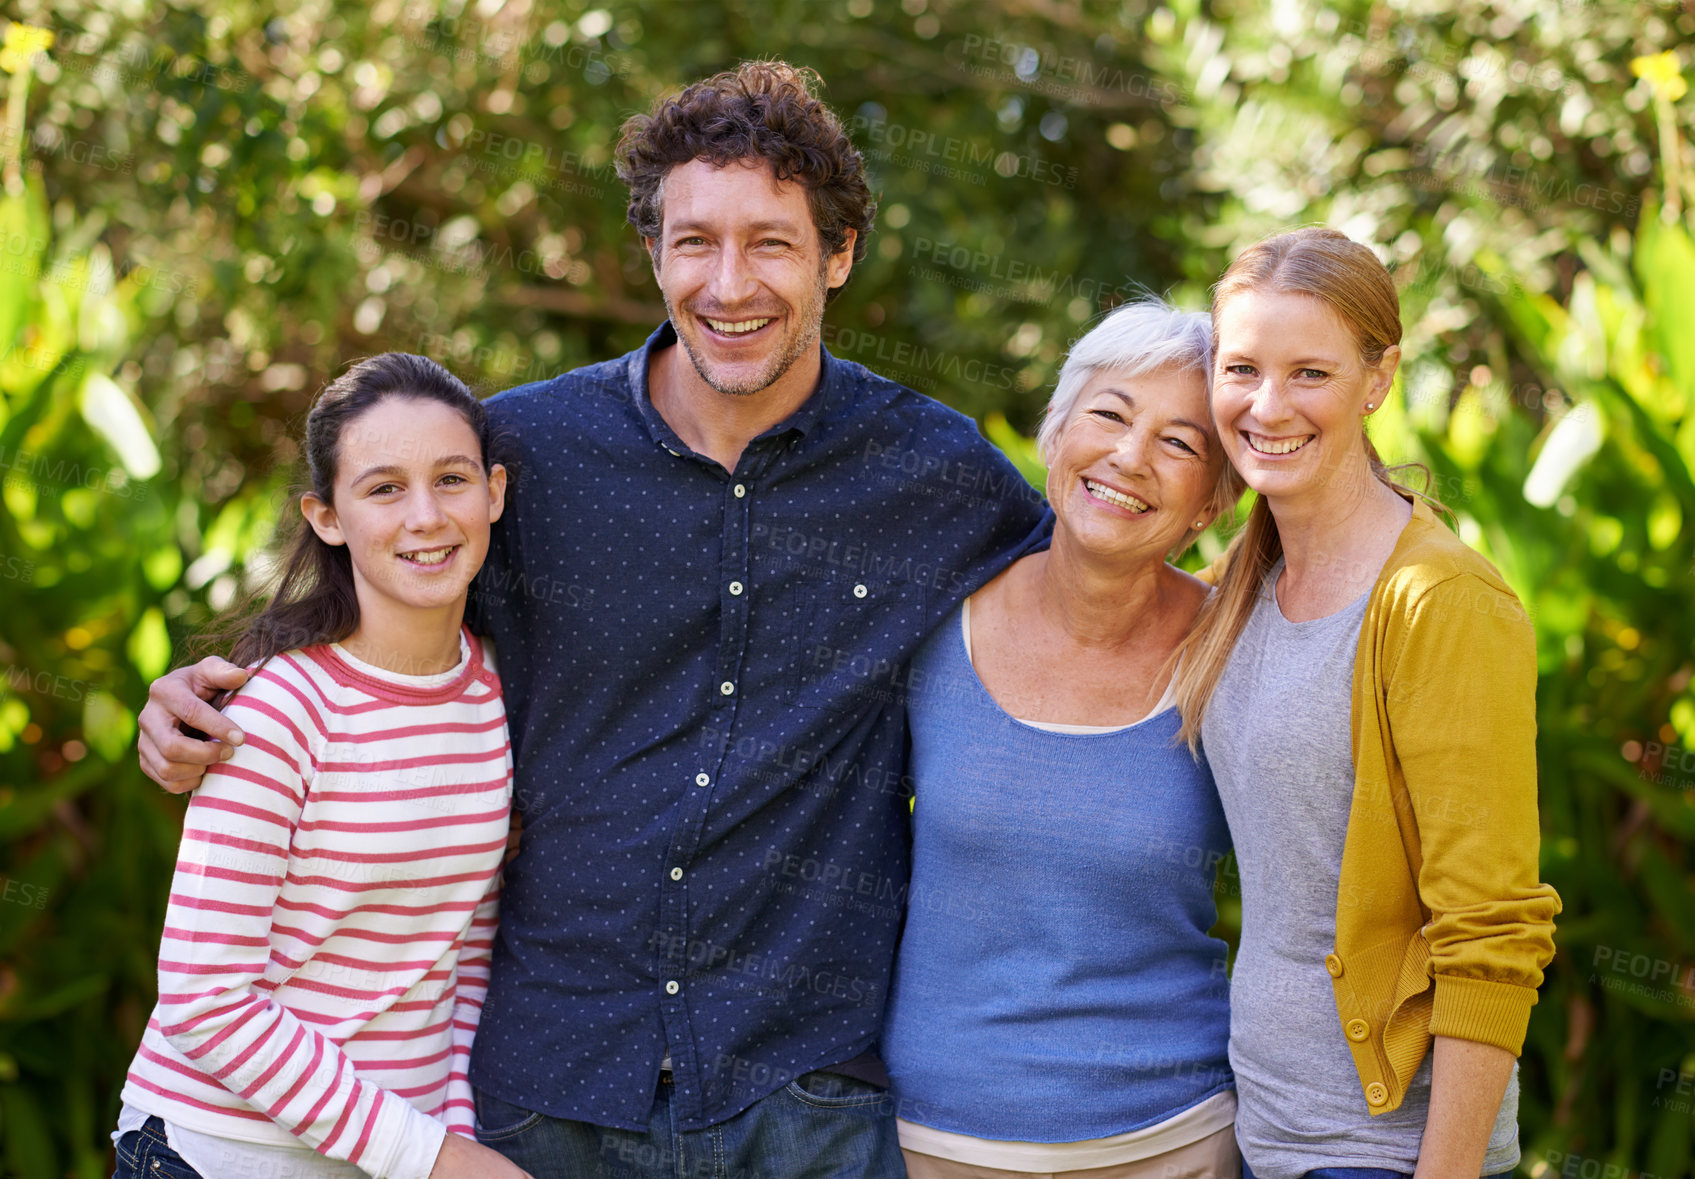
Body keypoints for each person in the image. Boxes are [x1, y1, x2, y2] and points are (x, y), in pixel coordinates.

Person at [136, 63, 1051, 1177]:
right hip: (548, 1094)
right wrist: (210, 691)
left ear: (838, 255)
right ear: (653, 254)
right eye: (693, 242)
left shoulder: (935, 472)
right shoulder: (526, 452)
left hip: (803, 1092)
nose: (729, 283)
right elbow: (384, 590)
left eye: (771, 242)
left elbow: (1106, 599)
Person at [1171, 228, 1561, 1179]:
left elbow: (1492, 931)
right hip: (1261, 1130)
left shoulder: (1438, 603)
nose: (1267, 406)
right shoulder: (1238, 584)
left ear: (1378, 378)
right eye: (1241, 369)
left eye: (1310, 372)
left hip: (1382, 1152)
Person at [114, 354, 531, 1179]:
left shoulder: (490, 691)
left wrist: (452, 1139)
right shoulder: (281, 707)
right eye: (382, 488)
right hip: (218, 1152)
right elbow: (205, 998)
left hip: (389, 1157)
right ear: (327, 515)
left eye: (451, 478)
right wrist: (432, 1157)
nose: (424, 516)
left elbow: (458, 955)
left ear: (494, 493)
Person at [882, 299, 1244, 1179]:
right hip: (933, 1144)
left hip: (1171, 1143)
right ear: (1055, 433)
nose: (1129, 457)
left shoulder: (1235, 654)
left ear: (1210, 505)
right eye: (1110, 414)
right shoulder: (930, 620)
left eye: (1179, 443)